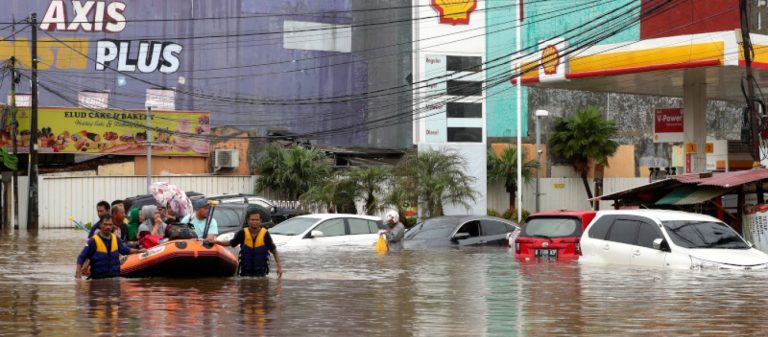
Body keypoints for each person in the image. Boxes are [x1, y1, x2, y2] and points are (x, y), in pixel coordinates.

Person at [213, 209, 282, 278]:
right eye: (252, 219)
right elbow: (231, 243)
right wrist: (216, 242)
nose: (254, 222)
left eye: (257, 220)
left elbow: (274, 251)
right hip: (245, 273)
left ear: (260, 221)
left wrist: (279, 267)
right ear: (248, 221)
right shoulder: (242, 233)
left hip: (261, 273)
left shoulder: (265, 234)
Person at [76, 214, 144, 279]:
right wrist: (78, 273)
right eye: (105, 224)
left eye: (110, 225)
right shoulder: (93, 241)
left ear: (112, 226)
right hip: (98, 280)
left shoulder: (116, 239)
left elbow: (125, 250)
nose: (108, 227)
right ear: (100, 225)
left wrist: (138, 251)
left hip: (114, 278)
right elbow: (81, 257)